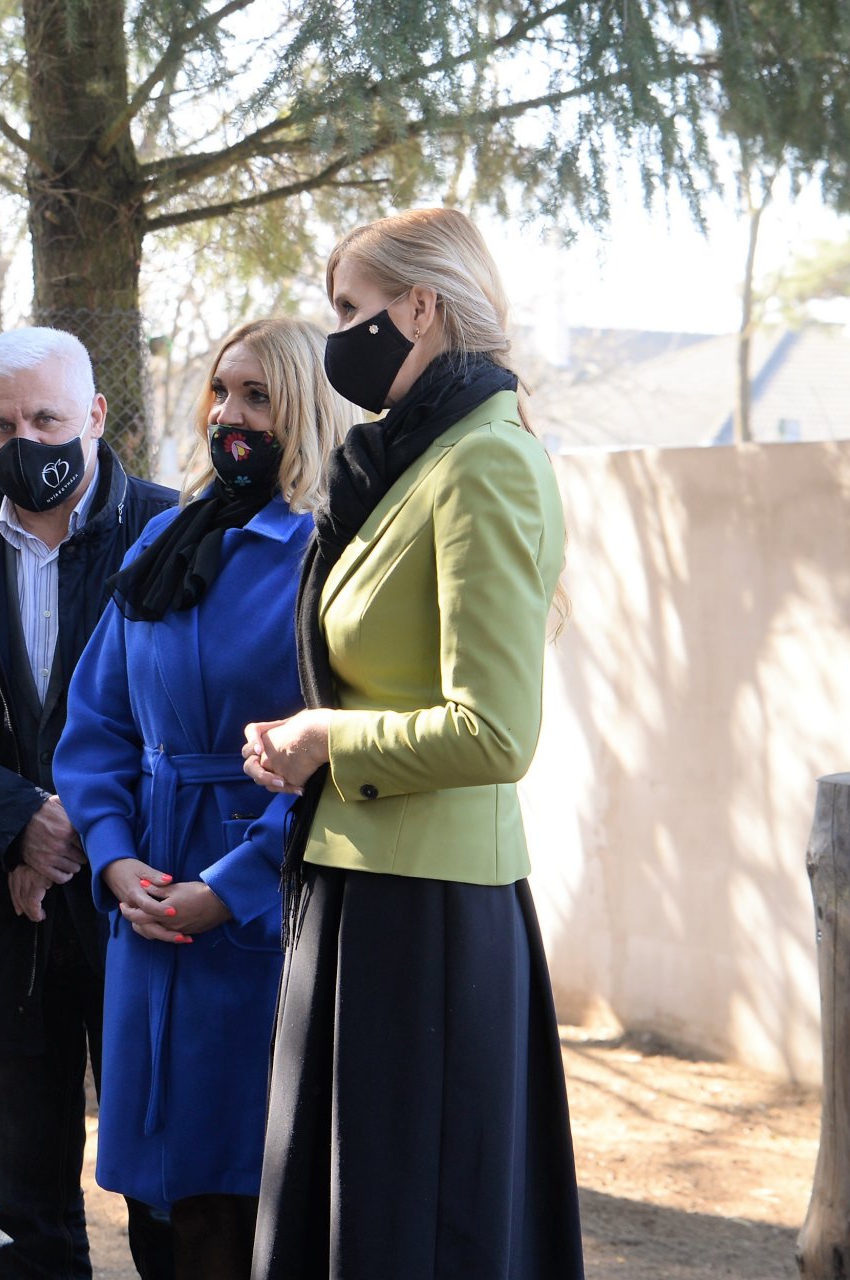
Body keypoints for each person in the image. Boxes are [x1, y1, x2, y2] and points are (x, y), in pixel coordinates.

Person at [241, 207, 585, 1278]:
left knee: (411, 1233)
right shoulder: (408, 461)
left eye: (352, 309)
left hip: (428, 916)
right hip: (358, 892)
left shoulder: (487, 462)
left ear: (421, 306)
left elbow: (495, 730)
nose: (338, 332)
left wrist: (327, 739)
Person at [55, 318, 350, 1278]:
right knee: (155, 1204)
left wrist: (233, 886)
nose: (230, 414)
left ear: (304, 411)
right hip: (147, 901)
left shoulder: (322, 555)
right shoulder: (160, 540)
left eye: (258, 397)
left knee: (236, 1205)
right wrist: (110, 856)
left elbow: (332, 750)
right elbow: (97, 724)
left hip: (257, 918)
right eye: (222, 391)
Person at [0, 327, 177, 1278]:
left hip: (144, 909)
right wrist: (19, 825)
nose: (28, 440)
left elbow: (194, 723)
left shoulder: (173, 539)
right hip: (3, 920)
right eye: (2, 424)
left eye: (48, 418)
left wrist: (84, 829)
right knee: (26, 1214)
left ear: (93, 416)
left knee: (168, 1200)